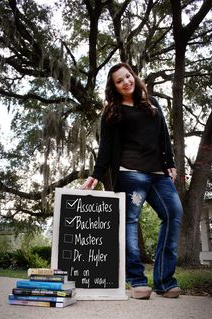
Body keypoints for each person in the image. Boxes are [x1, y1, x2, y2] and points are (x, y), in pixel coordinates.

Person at [81, 62, 183, 299]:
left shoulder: (152, 102)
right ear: (114, 87)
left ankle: (165, 281)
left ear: (134, 77)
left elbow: (164, 135)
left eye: (128, 77)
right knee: (129, 223)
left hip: (159, 174)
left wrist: (170, 162)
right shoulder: (112, 112)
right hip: (130, 173)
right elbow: (105, 147)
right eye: (119, 81)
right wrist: (96, 175)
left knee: (173, 215)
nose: (126, 82)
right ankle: (137, 281)